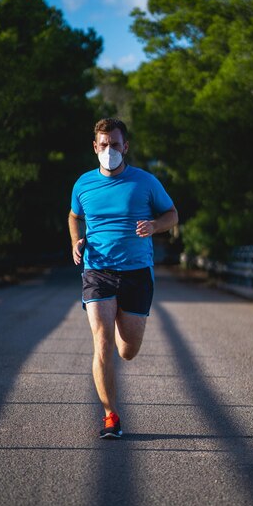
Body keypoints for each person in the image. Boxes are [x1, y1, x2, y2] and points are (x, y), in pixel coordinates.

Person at [68, 118, 178, 439]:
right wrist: (76, 240)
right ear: (95, 147)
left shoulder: (145, 182)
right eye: (103, 145)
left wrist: (155, 227)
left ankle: (123, 327)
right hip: (97, 270)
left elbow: (172, 214)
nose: (109, 150)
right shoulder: (83, 184)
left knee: (127, 350)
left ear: (125, 146)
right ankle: (110, 416)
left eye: (115, 144)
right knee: (101, 342)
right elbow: (75, 216)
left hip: (136, 273)